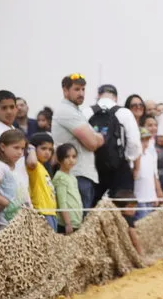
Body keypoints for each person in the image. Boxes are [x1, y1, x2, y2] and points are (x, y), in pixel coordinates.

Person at [51, 74, 104, 210]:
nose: (81, 93)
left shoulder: (76, 110)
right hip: (76, 175)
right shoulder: (67, 111)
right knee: (78, 225)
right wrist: (97, 137)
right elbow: (92, 143)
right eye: (76, 89)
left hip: (81, 174)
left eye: (83, 89)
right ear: (65, 90)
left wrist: (95, 137)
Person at [84, 84, 142, 205]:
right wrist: (125, 158)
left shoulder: (86, 111)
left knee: (92, 208)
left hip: (91, 167)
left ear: (98, 96)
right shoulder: (124, 113)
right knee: (120, 209)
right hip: (118, 168)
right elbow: (134, 143)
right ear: (115, 97)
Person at [0, 130, 32, 231]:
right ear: (3, 147)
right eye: (16, 147)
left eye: (22, 149)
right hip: (7, 225)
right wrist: (5, 203)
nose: (20, 152)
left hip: (21, 222)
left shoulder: (15, 167)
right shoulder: (0, 166)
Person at [26, 132, 57, 231]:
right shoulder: (34, 166)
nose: (47, 152)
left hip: (51, 212)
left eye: (50, 149)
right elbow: (32, 162)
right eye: (43, 148)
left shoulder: (44, 167)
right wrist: (30, 148)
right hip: (41, 212)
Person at [134, 128, 163, 220]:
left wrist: (155, 195)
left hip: (150, 198)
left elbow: (153, 176)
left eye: (146, 140)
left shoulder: (149, 156)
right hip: (139, 199)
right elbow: (135, 174)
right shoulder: (133, 156)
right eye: (142, 140)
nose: (144, 143)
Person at [53, 143, 82, 234]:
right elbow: (62, 202)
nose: (71, 160)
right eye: (67, 157)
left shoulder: (72, 177)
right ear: (59, 159)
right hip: (66, 224)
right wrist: (67, 223)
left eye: (74, 157)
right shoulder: (60, 177)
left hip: (76, 221)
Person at [111, 189, 143, 255]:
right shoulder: (128, 219)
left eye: (135, 207)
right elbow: (134, 239)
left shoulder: (115, 217)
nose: (134, 210)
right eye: (132, 207)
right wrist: (141, 255)